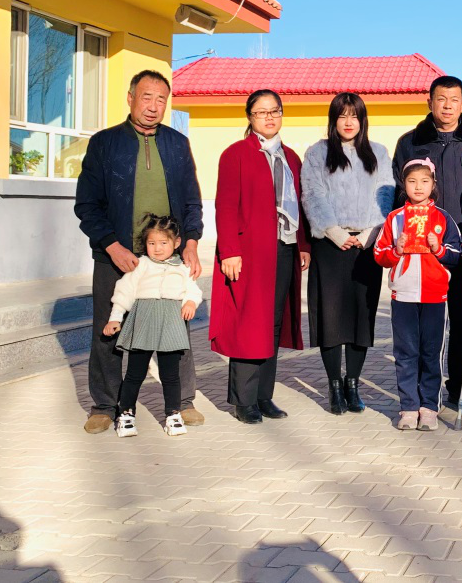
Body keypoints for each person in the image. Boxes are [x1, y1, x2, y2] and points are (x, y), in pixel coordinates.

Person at [75, 70, 205, 435]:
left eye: (161, 99)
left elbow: (192, 201)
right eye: (146, 97)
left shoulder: (177, 144)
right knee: (109, 329)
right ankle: (105, 405)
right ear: (131, 98)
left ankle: (183, 401)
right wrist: (111, 245)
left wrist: (191, 242)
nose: (153, 106)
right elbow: (87, 205)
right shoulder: (105, 143)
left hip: (167, 257)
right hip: (117, 256)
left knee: (175, 328)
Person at [392, 75, 462, 410]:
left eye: (454, 100)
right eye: (441, 99)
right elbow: (398, 195)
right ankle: (423, 391)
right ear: (430, 102)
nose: (448, 106)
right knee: (424, 325)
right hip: (421, 251)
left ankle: (460, 385)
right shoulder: (410, 143)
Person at [209, 89, 312, 424]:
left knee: (273, 322)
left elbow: (299, 205)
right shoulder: (236, 154)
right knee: (248, 322)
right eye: (261, 112)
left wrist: (303, 244)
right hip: (249, 252)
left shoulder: (291, 158)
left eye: (275, 111)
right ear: (250, 117)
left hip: (283, 249)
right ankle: (244, 400)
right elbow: (225, 206)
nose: (269, 117)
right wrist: (230, 251)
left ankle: (264, 395)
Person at [301, 92, 395, 415]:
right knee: (330, 318)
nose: (348, 122)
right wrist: (336, 233)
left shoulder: (378, 153)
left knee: (360, 318)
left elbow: (386, 195)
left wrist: (370, 234)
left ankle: (353, 384)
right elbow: (312, 194)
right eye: (342, 115)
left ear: (362, 119)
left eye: (354, 115)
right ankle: (333, 385)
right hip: (330, 246)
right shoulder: (318, 153)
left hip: (367, 246)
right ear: (333, 120)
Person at [373, 158, 462, 431]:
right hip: (403, 295)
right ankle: (409, 407)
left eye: (424, 181)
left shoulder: (443, 218)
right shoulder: (394, 218)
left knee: (431, 353)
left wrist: (438, 249)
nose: (418, 187)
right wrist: (397, 250)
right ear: (404, 185)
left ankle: (429, 407)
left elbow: (457, 254)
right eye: (412, 181)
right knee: (406, 353)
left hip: (435, 295)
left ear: (433, 184)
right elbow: (379, 254)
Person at [102, 214, 203, 438]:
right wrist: (115, 317)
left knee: (170, 375)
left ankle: (173, 414)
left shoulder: (183, 267)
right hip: (144, 323)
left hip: (171, 324)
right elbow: (124, 291)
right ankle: (126, 414)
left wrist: (190, 302)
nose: (157, 249)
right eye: (151, 243)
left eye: (163, 243)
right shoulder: (141, 265)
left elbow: (193, 290)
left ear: (176, 243)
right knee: (134, 373)